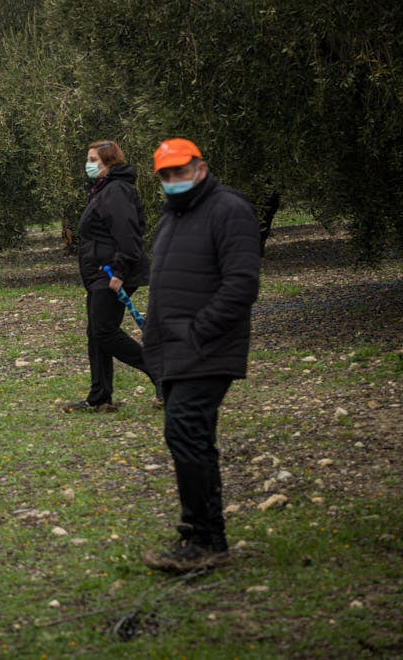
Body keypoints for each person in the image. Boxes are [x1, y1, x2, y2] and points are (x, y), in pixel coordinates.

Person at [141, 138, 260, 573]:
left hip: (207, 348)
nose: (174, 179)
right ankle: (206, 537)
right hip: (175, 350)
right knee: (189, 438)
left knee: (186, 433)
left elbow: (242, 284)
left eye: (181, 171)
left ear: (201, 168)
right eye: (166, 174)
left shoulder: (229, 210)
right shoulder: (173, 215)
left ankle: (204, 539)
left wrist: (197, 333)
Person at [63, 140, 158, 413]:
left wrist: (119, 271)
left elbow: (128, 234)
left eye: (93, 160)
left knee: (104, 331)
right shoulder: (102, 189)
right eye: (88, 159)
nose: (89, 164)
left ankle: (159, 370)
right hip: (99, 273)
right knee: (96, 333)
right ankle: (100, 396)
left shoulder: (116, 191)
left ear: (109, 162)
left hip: (112, 272)